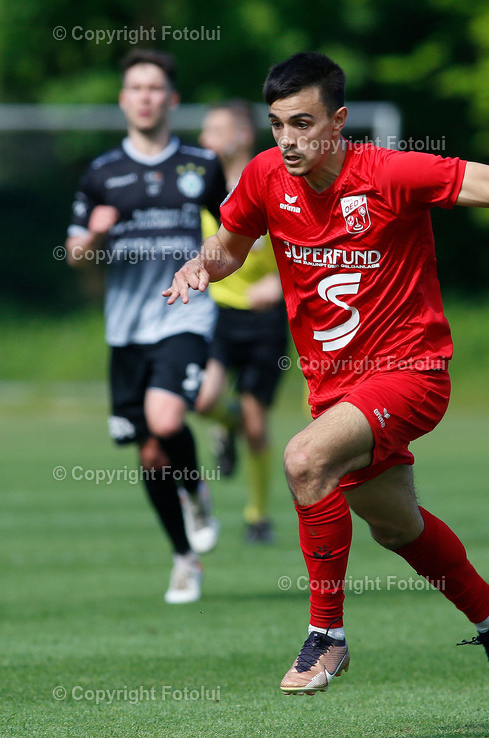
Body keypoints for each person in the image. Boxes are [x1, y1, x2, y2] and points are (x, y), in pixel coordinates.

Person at [165, 52, 489, 700]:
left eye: (303, 123)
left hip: (412, 373)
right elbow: (231, 248)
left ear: (340, 120)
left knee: (303, 461)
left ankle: (327, 636)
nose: (288, 140)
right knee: (395, 526)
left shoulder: (389, 173)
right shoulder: (265, 176)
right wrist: (200, 265)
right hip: (336, 391)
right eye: (277, 124)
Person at [65, 49, 228, 604]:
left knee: (166, 415)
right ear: (123, 99)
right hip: (126, 330)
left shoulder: (202, 165)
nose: (145, 96)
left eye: (155, 88)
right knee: (152, 455)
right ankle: (185, 555)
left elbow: (235, 230)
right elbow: (75, 256)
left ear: (172, 99)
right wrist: (95, 237)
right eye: (135, 87)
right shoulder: (102, 173)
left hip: (184, 314)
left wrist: (209, 263)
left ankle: (196, 491)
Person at [194, 100, 289, 544]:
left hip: (266, 320)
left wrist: (281, 285)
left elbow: (305, 248)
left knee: (256, 423)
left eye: (215, 129)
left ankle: (257, 515)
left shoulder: (274, 183)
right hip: (219, 314)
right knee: (203, 400)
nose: (204, 139)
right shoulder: (201, 186)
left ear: (243, 136)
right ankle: (223, 426)